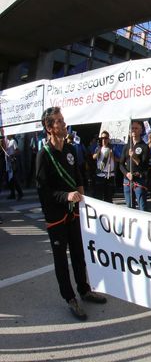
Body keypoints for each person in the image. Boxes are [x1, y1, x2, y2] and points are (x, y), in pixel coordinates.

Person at [36, 107, 107, 321]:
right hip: (56, 216)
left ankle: (84, 290)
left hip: (74, 213)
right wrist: (65, 196)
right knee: (61, 259)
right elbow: (43, 190)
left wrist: (82, 196)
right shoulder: (43, 155)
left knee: (79, 253)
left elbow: (78, 176)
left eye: (62, 119)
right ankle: (70, 298)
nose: (63, 123)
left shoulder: (70, 149)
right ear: (49, 128)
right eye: (58, 121)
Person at [119, 120, 150, 211]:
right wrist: (126, 174)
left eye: (136, 128)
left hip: (139, 180)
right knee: (129, 207)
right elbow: (121, 164)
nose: (133, 130)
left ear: (141, 130)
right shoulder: (126, 146)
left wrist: (134, 157)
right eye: (132, 128)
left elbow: (144, 166)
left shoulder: (144, 147)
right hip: (127, 180)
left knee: (142, 207)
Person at [92, 131, 115, 203]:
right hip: (100, 175)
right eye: (102, 138)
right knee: (98, 197)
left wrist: (112, 155)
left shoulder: (112, 148)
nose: (104, 140)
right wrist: (98, 151)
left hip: (109, 175)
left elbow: (119, 159)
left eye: (105, 138)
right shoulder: (98, 148)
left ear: (108, 139)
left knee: (108, 198)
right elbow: (94, 157)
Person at [5, 134, 23, 200]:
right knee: (10, 179)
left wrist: (12, 155)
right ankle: (12, 194)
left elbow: (17, 150)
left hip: (13, 162)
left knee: (14, 178)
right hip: (8, 163)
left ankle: (20, 193)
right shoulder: (7, 141)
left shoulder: (13, 141)